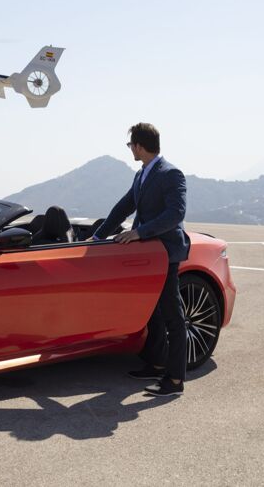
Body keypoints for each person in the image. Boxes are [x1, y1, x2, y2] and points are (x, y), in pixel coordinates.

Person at [91, 123, 190, 397]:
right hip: (147, 255)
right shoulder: (142, 175)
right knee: (153, 311)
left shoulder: (171, 174)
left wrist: (139, 232)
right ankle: (157, 363)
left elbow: (175, 214)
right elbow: (123, 207)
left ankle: (175, 380)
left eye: (130, 145)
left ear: (139, 146)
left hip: (166, 253)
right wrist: (98, 239)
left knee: (173, 315)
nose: (130, 150)